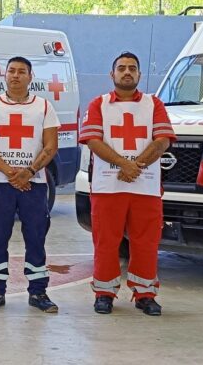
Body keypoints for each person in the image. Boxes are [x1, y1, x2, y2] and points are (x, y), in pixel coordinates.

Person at [78, 52, 175, 316]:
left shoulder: (154, 104)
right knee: (106, 241)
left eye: (132, 68)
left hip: (146, 187)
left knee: (146, 241)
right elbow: (93, 140)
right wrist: (125, 164)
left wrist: (135, 166)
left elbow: (163, 140)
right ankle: (104, 293)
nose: (127, 72)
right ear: (112, 75)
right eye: (121, 68)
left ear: (140, 74)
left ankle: (145, 294)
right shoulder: (98, 104)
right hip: (108, 187)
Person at [0, 56, 60, 313]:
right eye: (11, 71)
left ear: (30, 77)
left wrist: (30, 171)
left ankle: (38, 293)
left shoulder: (44, 107)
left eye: (22, 71)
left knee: (36, 237)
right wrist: (12, 173)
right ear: (5, 75)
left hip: (34, 184)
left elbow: (51, 145)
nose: (16, 75)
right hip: (0, 184)